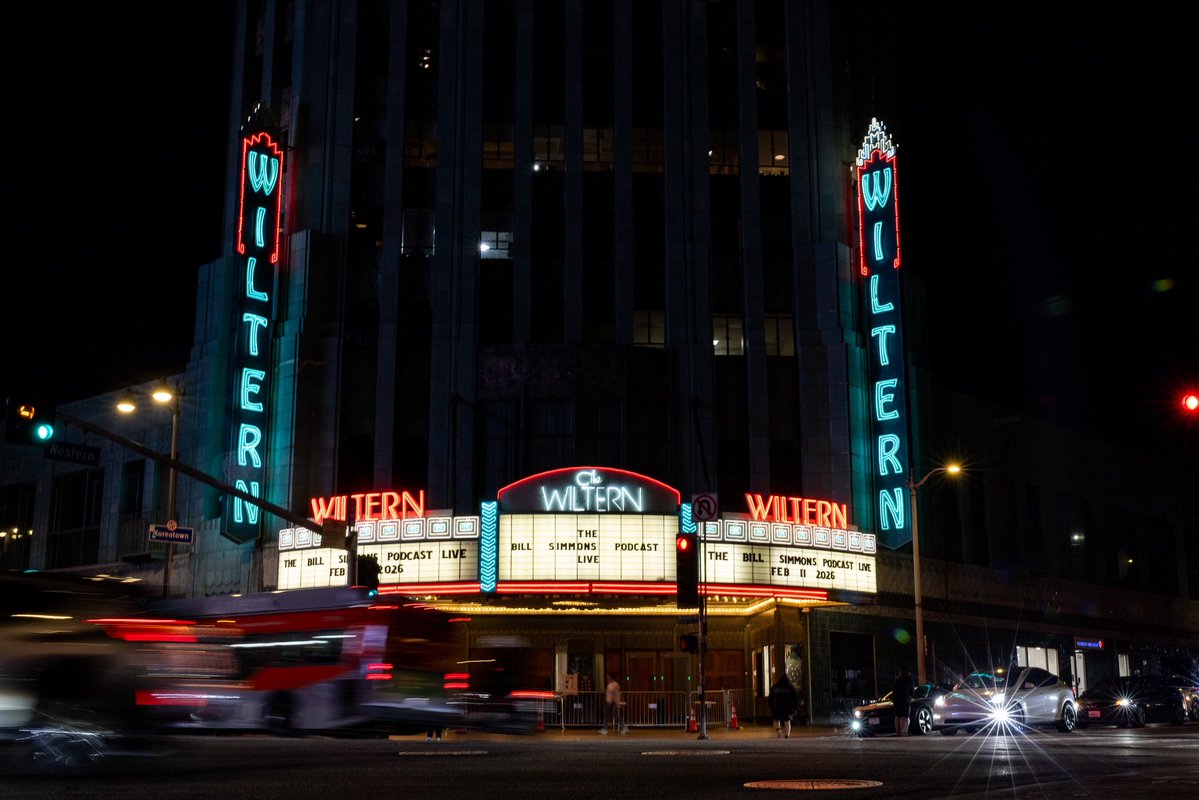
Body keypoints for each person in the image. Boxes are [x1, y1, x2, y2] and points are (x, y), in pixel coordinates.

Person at [769, 673, 799, 738]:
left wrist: (771, 706)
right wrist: (795, 708)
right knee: (787, 721)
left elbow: (771, 697)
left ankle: (778, 730)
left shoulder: (775, 687)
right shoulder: (790, 687)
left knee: (776, 720)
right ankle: (787, 734)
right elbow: (794, 698)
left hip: (777, 707)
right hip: (787, 707)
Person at [891, 665, 916, 736]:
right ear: (908, 672)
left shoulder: (896, 680)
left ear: (900, 672)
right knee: (905, 716)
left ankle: (898, 732)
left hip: (896, 701)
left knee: (897, 716)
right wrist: (911, 696)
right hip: (905, 700)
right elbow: (912, 691)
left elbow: (893, 689)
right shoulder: (909, 679)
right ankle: (904, 732)